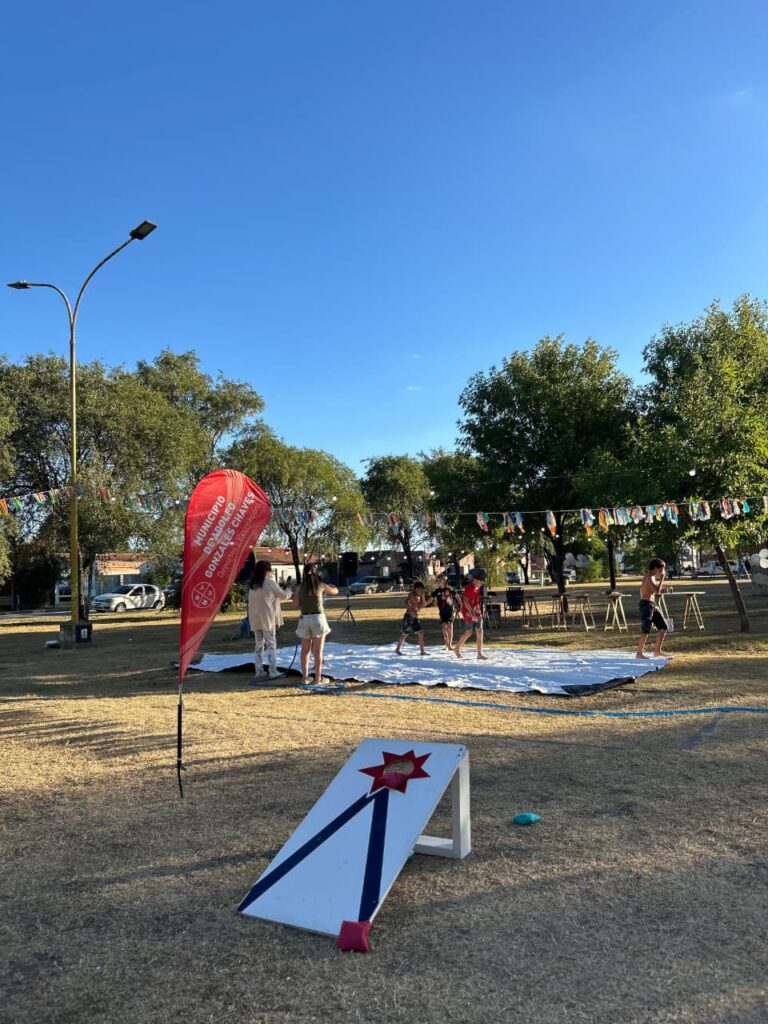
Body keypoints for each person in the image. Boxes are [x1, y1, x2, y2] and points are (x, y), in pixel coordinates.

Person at [292, 563, 338, 684]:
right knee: (318, 651)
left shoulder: (299, 588)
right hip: (318, 618)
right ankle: (318, 679)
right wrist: (332, 586)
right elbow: (335, 591)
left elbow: (295, 605)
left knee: (305, 651)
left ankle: (305, 678)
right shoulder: (320, 585)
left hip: (304, 618)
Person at [247, 560, 288, 681]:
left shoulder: (253, 585)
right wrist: (290, 590)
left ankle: (259, 670)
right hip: (267, 619)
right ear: (266, 571)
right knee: (271, 645)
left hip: (255, 619)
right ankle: (273, 670)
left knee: (259, 646)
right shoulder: (270, 583)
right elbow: (284, 595)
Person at [635, 557, 669, 659]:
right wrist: (662, 578)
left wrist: (662, 588)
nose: (662, 571)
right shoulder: (648, 577)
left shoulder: (652, 577)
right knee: (646, 628)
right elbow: (656, 591)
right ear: (655, 568)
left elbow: (654, 590)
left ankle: (657, 651)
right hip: (646, 604)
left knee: (663, 627)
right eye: (661, 569)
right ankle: (639, 653)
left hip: (652, 603)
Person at [454, 572, 489, 660]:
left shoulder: (477, 587)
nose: (481, 584)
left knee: (480, 631)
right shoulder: (469, 588)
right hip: (468, 611)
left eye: (482, 583)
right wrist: (472, 614)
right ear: (475, 580)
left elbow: (476, 601)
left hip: (475, 610)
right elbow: (465, 601)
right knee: (468, 632)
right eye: (480, 582)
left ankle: (479, 654)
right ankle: (457, 649)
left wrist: (478, 611)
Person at [394, 581, 432, 656]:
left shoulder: (420, 595)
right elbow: (406, 602)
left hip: (415, 617)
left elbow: (423, 604)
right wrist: (410, 608)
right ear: (416, 589)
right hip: (408, 617)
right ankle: (397, 649)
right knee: (405, 634)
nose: (421, 591)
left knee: (420, 633)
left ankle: (422, 651)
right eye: (420, 589)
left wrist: (423, 596)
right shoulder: (411, 594)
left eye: (422, 590)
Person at [432, 573, 457, 649]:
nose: (439, 581)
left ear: (444, 581)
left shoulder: (449, 589)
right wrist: (424, 603)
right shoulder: (437, 591)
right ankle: (446, 644)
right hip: (442, 612)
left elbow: (457, 596)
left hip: (450, 611)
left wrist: (460, 604)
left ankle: (450, 644)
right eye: (438, 580)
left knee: (450, 625)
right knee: (444, 627)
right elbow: (431, 598)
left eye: (441, 579)